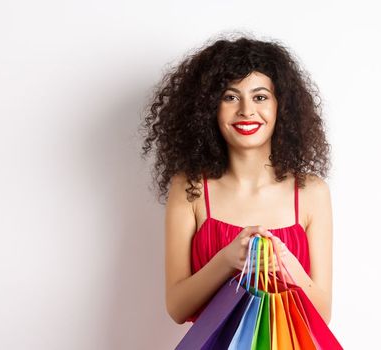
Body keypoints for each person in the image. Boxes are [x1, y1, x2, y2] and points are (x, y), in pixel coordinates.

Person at [140, 34, 334, 326]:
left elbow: (323, 315)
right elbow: (177, 308)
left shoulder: (311, 192)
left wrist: (287, 266)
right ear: (209, 109)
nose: (246, 110)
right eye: (230, 97)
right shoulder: (190, 189)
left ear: (282, 107)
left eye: (260, 97)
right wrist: (229, 259)